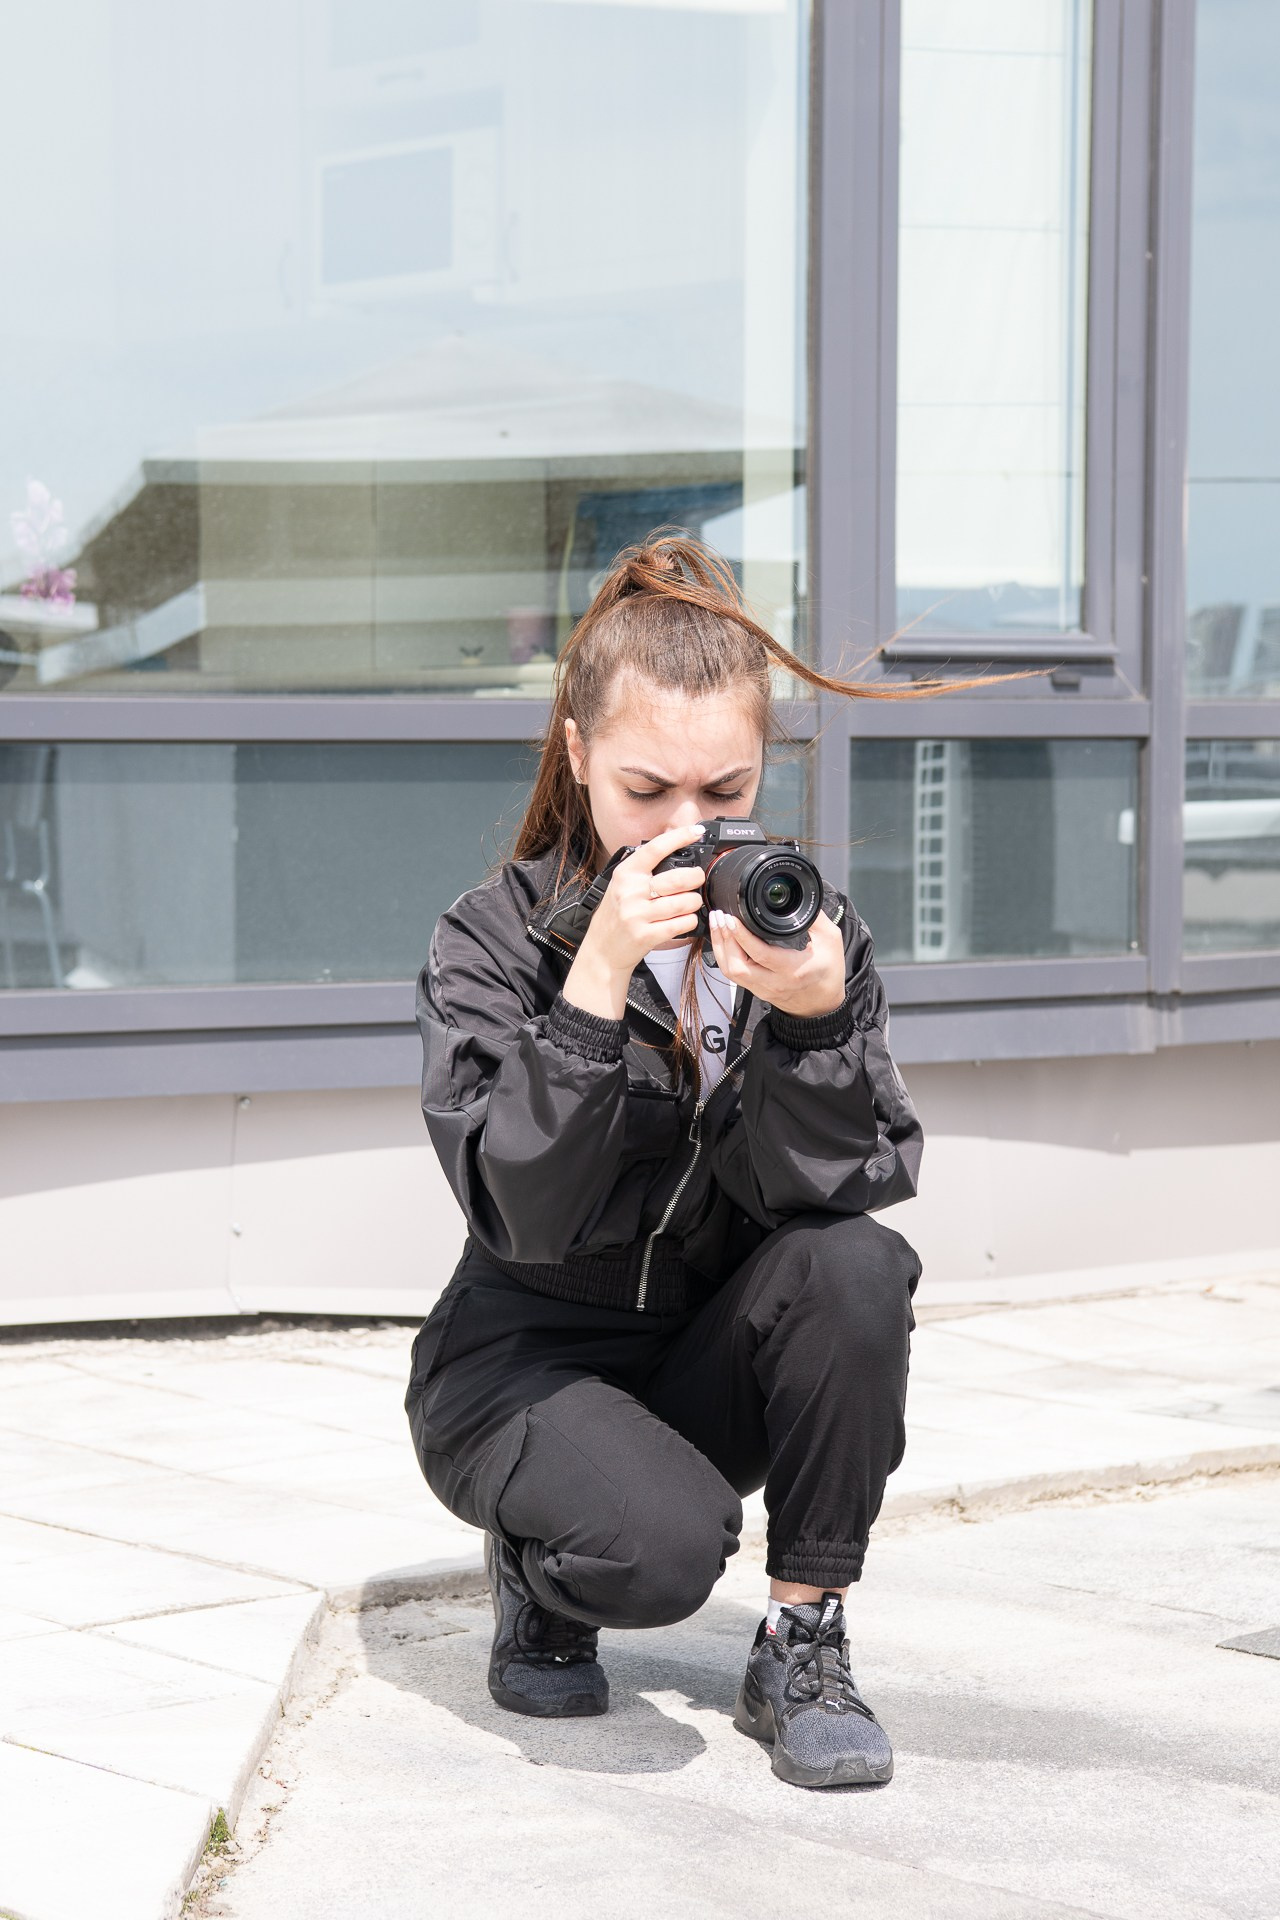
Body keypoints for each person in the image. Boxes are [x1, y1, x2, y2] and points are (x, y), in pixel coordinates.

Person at [406, 531, 931, 1790]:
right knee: (658, 1552)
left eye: (724, 792)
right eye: (646, 792)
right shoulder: (492, 938)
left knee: (858, 1265)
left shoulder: (802, 927)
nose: (687, 833)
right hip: (522, 1362)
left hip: (702, 1355)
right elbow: (519, 1213)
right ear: (579, 756)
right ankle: (542, 1572)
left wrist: (811, 1019)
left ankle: (803, 1638)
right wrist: (590, 987)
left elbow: (839, 1198)